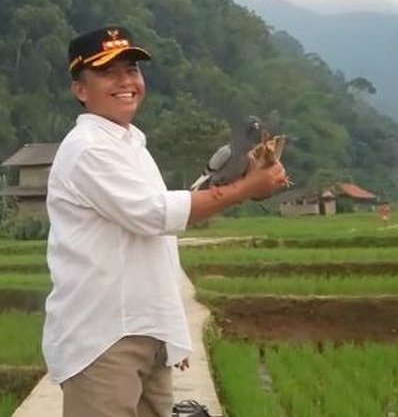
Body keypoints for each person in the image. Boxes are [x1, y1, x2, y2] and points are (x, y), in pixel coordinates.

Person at [42, 25, 287, 417]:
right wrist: (245, 189)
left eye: (132, 70)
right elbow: (154, 215)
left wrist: (170, 334)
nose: (126, 81)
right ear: (80, 90)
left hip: (144, 332)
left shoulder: (132, 144)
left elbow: (156, 249)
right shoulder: (88, 150)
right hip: (104, 339)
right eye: (108, 72)